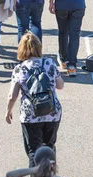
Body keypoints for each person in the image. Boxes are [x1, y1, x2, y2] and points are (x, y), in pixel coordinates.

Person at [6, 33, 64, 166]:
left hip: (30, 114)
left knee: (33, 151)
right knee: (49, 147)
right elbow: (60, 85)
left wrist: (8, 111)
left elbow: (12, 96)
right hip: (52, 112)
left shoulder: (20, 69)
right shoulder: (49, 63)